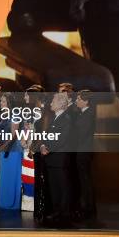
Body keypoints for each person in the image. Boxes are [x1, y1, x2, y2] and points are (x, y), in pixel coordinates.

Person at [40, 92, 73, 226]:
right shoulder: (55, 117)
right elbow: (48, 135)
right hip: (52, 159)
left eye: (53, 101)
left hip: (59, 159)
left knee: (62, 187)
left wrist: (47, 148)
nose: (51, 103)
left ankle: (63, 214)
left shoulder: (66, 119)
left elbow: (62, 138)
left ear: (60, 104)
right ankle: (56, 211)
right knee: (54, 187)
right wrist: (43, 145)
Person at [0, 93, 23, 210]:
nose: (1, 103)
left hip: (13, 150)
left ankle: (12, 203)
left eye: (3, 101)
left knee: (12, 176)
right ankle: (4, 201)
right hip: (3, 149)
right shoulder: (2, 114)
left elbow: (14, 134)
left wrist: (5, 145)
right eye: (1, 101)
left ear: (9, 103)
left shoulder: (15, 114)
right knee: (4, 176)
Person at [20, 86, 45, 212]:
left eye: (27, 95)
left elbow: (41, 133)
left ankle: (38, 204)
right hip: (26, 148)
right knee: (27, 176)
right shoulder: (29, 112)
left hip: (35, 150)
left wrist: (33, 149)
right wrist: (23, 140)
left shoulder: (41, 112)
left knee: (37, 176)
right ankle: (28, 204)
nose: (25, 98)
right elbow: (26, 129)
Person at [74, 89, 96, 220]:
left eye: (78, 99)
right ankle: (87, 207)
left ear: (86, 101)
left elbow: (81, 134)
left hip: (83, 152)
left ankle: (88, 208)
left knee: (85, 180)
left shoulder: (88, 114)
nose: (76, 101)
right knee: (84, 180)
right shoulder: (83, 113)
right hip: (82, 150)